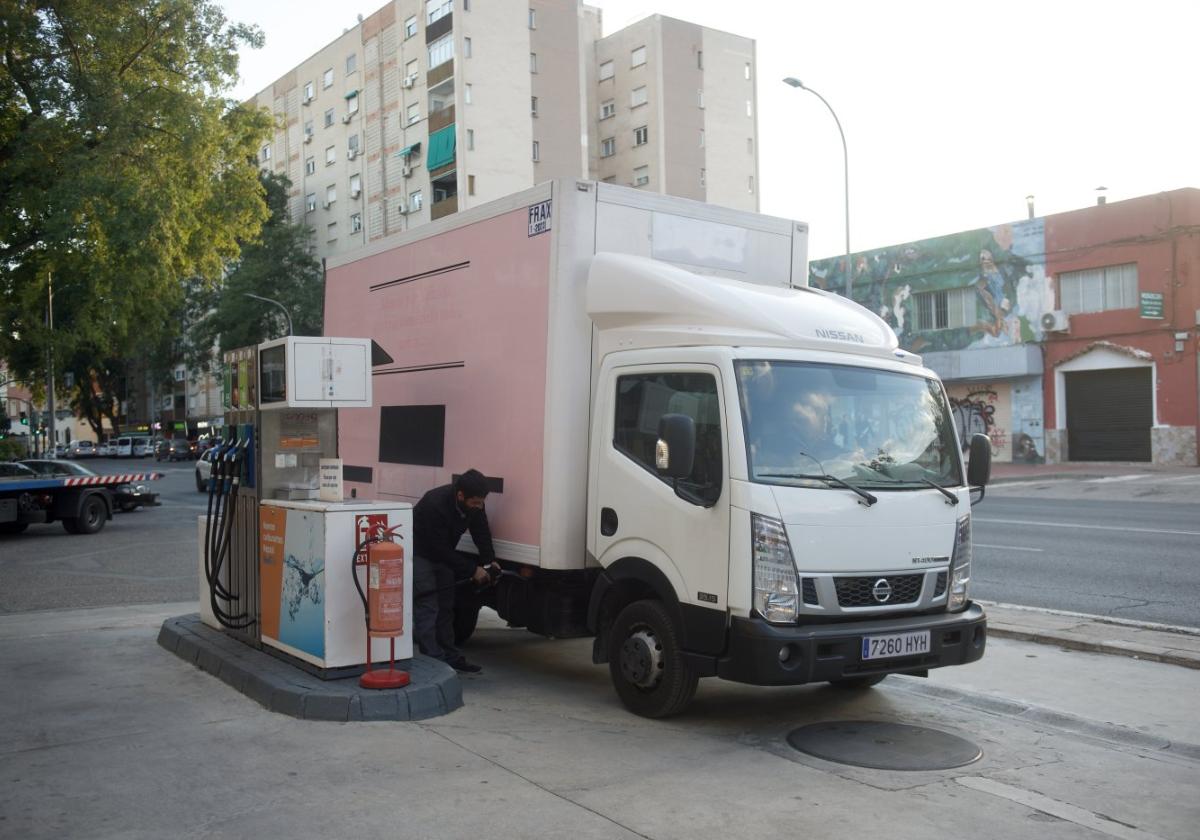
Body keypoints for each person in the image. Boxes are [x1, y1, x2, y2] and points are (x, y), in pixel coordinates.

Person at [412, 469, 498, 673]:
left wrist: (489, 561)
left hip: (443, 554)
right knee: (428, 605)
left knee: (446, 607)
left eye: (481, 503)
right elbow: (437, 547)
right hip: (420, 553)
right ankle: (433, 663)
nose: (479, 507)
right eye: (475, 502)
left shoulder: (475, 505)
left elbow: (481, 531)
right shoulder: (435, 503)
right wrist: (472, 569)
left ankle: (451, 656)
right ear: (460, 495)